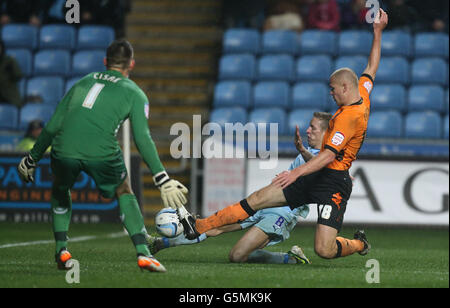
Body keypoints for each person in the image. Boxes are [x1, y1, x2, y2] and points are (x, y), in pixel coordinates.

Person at [186, 9, 389, 261]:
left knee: (323, 250)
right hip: (316, 174)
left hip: (334, 182)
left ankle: (359, 244)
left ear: (345, 87)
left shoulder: (351, 116)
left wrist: (294, 172)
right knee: (257, 198)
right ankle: (201, 225)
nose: (331, 93)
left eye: (333, 89)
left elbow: (327, 156)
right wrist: (378, 32)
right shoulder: (362, 91)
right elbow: (372, 66)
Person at [17, 39, 190, 273]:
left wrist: (32, 158)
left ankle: (62, 249)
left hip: (63, 147)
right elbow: (142, 138)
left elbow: (52, 125)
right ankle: (143, 253)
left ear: (105, 62)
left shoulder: (84, 81)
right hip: (101, 151)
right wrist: (162, 178)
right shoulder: (135, 93)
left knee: (60, 188)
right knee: (123, 190)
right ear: (132, 64)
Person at [148, 112, 332, 265]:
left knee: (237, 256)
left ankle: (290, 258)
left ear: (326, 132)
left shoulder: (327, 158)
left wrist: (304, 154)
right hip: (266, 203)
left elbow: (320, 167)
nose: (308, 130)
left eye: (313, 127)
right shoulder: (313, 152)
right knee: (213, 227)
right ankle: (159, 243)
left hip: (282, 213)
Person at [0, 40, 23, 107]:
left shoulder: (10, 60)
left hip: (9, 96)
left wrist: (12, 71)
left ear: (2, 48)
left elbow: (18, 76)